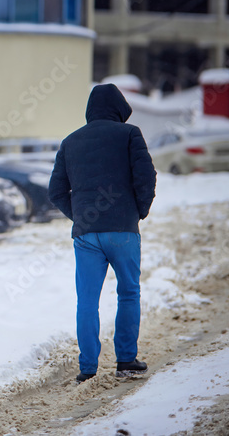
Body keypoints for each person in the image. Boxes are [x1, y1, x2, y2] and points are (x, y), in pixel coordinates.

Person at [48, 83, 157, 383]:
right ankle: (125, 360)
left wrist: (82, 216)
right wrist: (139, 211)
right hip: (123, 231)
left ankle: (87, 368)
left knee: (87, 301)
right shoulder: (129, 134)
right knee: (129, 293)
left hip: (86, 236)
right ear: (119, 110)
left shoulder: (70, 142)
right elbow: (146, 176)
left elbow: (56, 190)